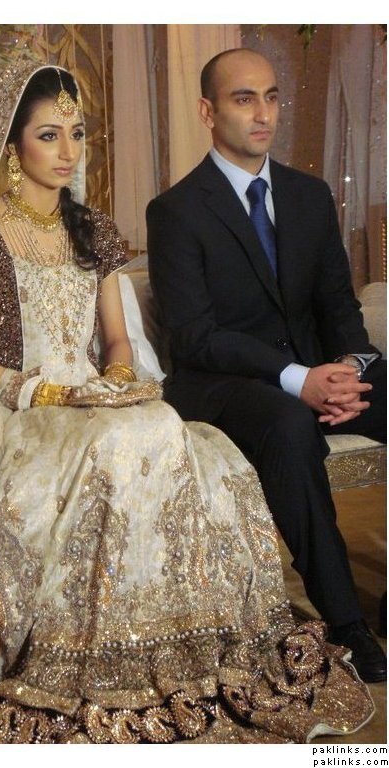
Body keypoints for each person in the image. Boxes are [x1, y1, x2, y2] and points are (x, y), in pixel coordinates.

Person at [0, 55, 374, 745]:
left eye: (76, 134)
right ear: (10, 145)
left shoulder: (92, 228)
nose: (67, 151)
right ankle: (115, 651)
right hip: (32, 401)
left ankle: (182, 639)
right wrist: (45, 390)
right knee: (142, 438)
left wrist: (114, 377)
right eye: (48, 135)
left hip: (100, 394)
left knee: (162, 430)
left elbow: (117, 337)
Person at [146, 47, 386, 685]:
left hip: (316, 372)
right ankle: (347, 624)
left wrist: (349, 369)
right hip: (225, 384)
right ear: (208, 112)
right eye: (244, 98)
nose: (264, 114)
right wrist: (298, 381)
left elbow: (338, 306)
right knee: (287, 423)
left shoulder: (309, 196)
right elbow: (195, 336)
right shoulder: (175, 211)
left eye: (272, 97)